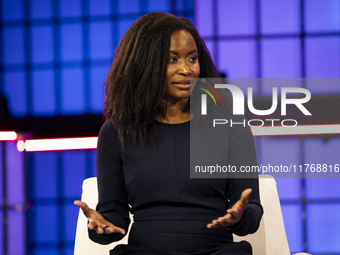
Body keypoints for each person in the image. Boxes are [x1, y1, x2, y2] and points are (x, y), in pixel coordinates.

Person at [75, 12, 263, 255]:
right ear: (145, 65)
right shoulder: (115, 132)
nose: (186, 69)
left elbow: (252, 210)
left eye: (192, 59)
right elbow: (114, 217)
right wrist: (101, 227)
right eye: (172, 59)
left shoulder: (231, 126)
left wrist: (240, 216)